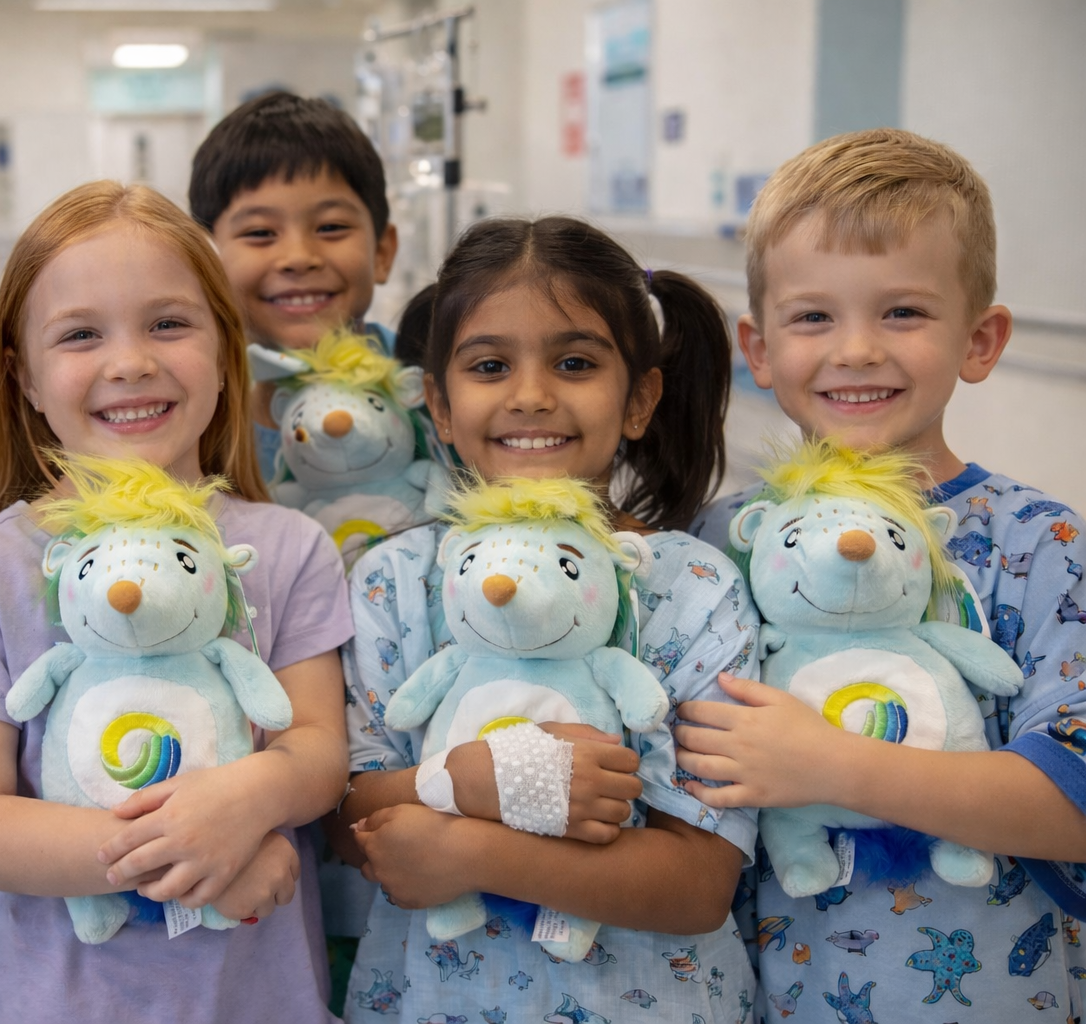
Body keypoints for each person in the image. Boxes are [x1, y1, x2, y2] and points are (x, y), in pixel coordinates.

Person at [0, 180, 352, 1024]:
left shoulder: (289, 549)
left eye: (168, 323)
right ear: (26, 379)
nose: (130, 363)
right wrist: (190, 850)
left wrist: (249, 802)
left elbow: (320, 753)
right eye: (81, 334)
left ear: (226, 352)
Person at [682, 128, 1086, 1022]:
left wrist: (830, 765)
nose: (857, 349)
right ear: (758, 348)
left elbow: (1075, 802)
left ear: (980, 340)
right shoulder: (721, 544)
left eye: (902, 312)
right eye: (814, 316)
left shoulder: (1043, 544)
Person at [335, 216, 762, 1023]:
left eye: (574, 363)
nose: (531, 394)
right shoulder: (396, 582)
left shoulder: (694, 587)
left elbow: (701, 884)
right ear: (440, 404)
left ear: (639, 398)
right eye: (490, 365)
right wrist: (469, 782)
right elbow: (349, 817)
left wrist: (470, 842)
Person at [189, 90, 400, 481]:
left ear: (383, 252)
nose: (299, 257)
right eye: (260, 232)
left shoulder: (435, 387)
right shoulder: (190, 420)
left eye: (331, 227)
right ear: (207, 263)